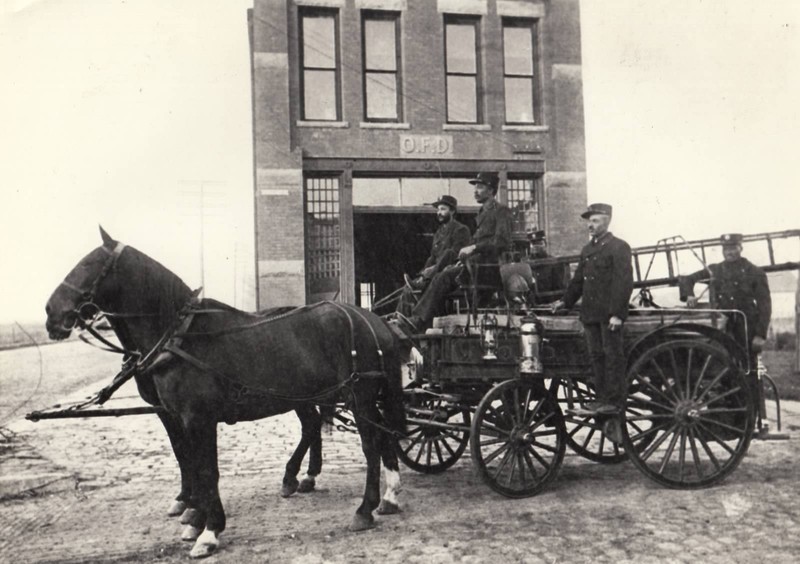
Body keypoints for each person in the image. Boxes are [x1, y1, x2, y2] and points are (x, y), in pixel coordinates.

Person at [551, 203, 633, 437]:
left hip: (609, 315)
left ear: (607, 221)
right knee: (595, 357)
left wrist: (618, 313)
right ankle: (600, 398)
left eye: (595, 220)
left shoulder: (619, 247)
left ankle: (613, 400)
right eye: (589, 221)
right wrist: (565, 302)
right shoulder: (588, 249)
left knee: (612, 355)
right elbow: (578, 282)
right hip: (590, 314)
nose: (590, 224)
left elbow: (623, 282)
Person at [402, 171, 513, 331]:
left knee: (444, 277)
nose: (475, 191)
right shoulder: (482, 212)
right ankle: (423, 320)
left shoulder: (501, 211)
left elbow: (502, 241)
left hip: (490, 269)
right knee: (443, 274)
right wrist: (462, 259)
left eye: (480, 187)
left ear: (491, 190)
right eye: (475, 187)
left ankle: (419, 319)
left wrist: (474, 247)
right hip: (475, 266)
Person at [679, 233, 772, 362]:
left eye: (733, 248)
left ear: (741, 248)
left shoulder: (755, 272)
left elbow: (765, 306)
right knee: (723, 366)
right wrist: (689, 295)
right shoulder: (715, 270)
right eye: (726, 249)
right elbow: (687, 279)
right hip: (722, 328)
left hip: (746, 328)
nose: (729, 252)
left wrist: (760, 335)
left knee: (749, 367)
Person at [395, 195, 470, 317]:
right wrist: (422, 274)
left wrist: (430, 273)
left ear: (452, 211)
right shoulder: (439, 233)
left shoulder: (461, 230)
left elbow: (456, 255)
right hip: (435, 271)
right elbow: (432, 257)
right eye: (438, 210)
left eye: (443, 209)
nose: (439, 213)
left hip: (453, 272)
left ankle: (418, 312)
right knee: (408, 289)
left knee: (448, 253)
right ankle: (399, 318)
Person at [527, 230, 570, 305]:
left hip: (548, 305)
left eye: (539, 243)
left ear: (545, 245)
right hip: (529, 306)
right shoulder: (526, 264)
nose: (536, 247)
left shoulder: (554, 263)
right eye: (533, 244)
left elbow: (559, 290)